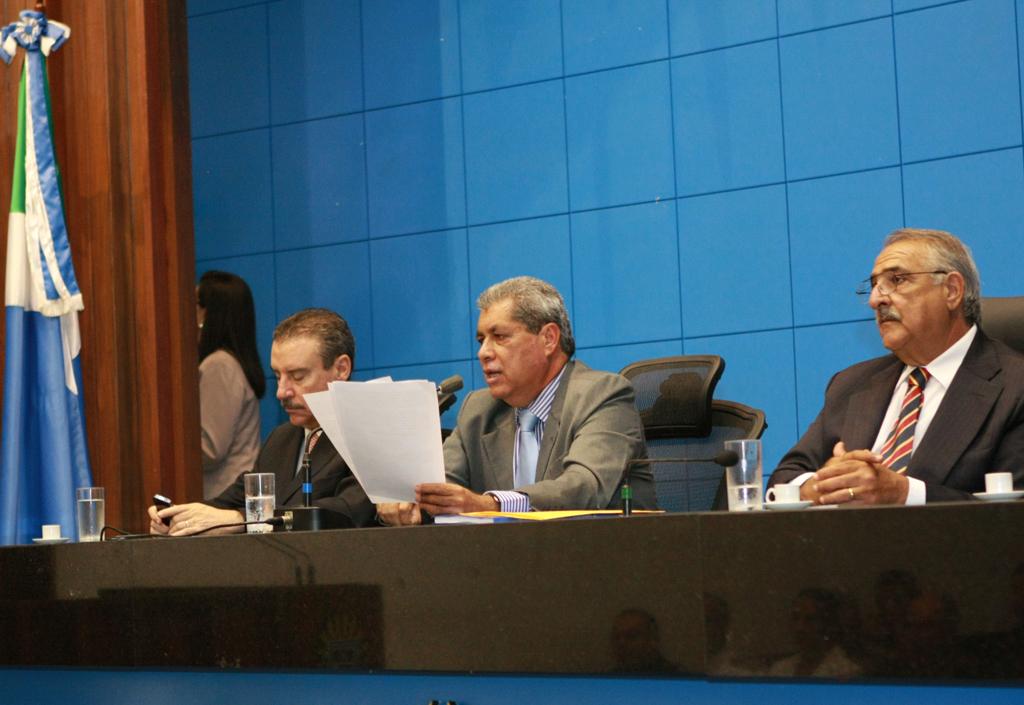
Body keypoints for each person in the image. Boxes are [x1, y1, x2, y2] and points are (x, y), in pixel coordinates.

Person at [770, 228, 1024, 504]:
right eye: (874, 285)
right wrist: (825, 484)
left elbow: (1013, 513)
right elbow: (784, 479)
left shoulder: (1014, 387)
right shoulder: (851, 384)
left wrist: (903, 493)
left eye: (897, 280)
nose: (875, 300)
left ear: (951, 290)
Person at [378, 276, 652, 525]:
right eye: (481, 340)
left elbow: (584, 487)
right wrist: (411, 502)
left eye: (499, 337)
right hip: (504, 559)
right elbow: (442, 485)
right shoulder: (477, 410)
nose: (483, 353)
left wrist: (491, 504)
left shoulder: (603, 395)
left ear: (548, 339)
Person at [149, 308, 374, 535]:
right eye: (277, 376)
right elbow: (229, 503)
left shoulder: (370, 434)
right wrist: (178, 518)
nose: (281, 392)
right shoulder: (281, 439)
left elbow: (347, 511)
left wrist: (242, 519)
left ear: (341, 369)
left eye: (298, 376)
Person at [196, 271, 264, 498]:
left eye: (195, 304)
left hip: (224, 493)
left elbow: (210, 449)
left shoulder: (219, 366)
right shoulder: (230, 362)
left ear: (207, 313)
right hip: (235, 491)